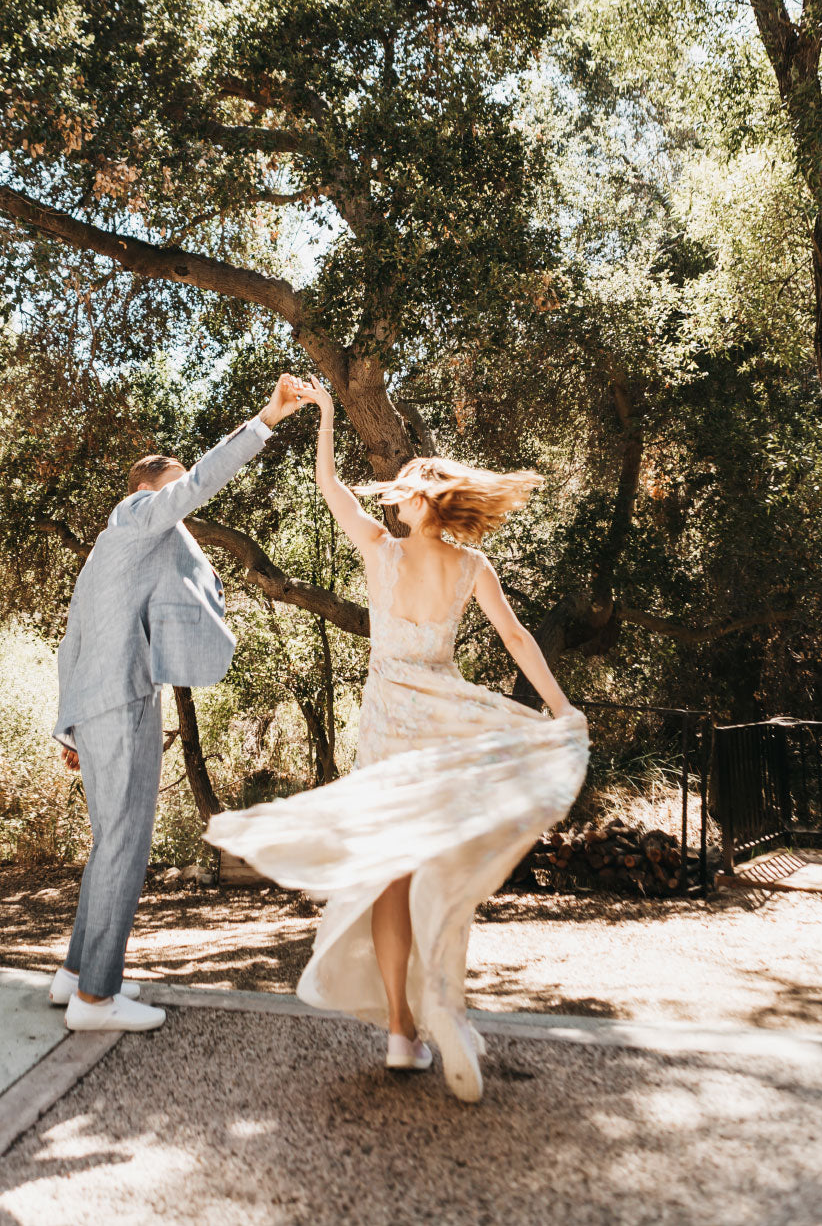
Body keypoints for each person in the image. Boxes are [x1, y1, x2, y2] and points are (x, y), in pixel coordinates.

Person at [207, 376, 589, 1101]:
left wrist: (321, 414)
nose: (394, 492)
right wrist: (560, 708)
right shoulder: (471, 566)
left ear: (423, 502)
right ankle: (443, 1005)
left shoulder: (381, 551)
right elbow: (516, 637)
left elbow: (327, 485)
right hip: (444, 721)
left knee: (392, 872)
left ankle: (399, 1031)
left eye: (406, 487)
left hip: (389, 720)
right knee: (444, 872)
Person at [50, 373, 306, 1033]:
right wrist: (266, 421)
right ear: (158, 487)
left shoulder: (105, 550)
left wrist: (69, 729)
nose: (183, 513)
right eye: (177, 492)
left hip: (93, 707)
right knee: (125, 847)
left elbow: (70, 642)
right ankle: (96, 1001)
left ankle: (77, 975)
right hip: (126, 700)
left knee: (110, 842)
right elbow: (196, 485)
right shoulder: (141, 515)